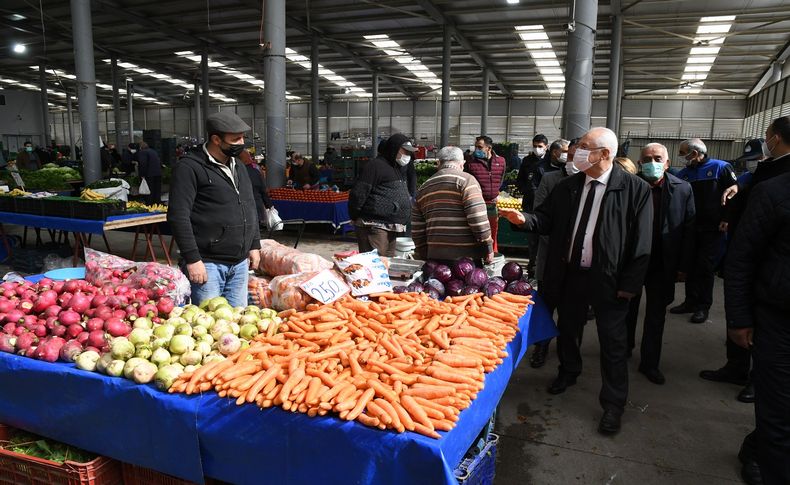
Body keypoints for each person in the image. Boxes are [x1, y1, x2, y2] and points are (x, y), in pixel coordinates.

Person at [500, 127, 653, 435]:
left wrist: (629, 285)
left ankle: (613, 404)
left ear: (605, 154)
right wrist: (524, 220)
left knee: (613, 342)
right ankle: (568, 372)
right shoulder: (568, 186)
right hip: (569, 273)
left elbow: (642, 244)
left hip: (609, 279)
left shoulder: (634, 189)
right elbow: (546, 220)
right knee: (569, 329)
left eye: (584, 146)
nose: (576, 151)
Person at [702, 119, 790, 405]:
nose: (765, 141)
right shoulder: (767, 166)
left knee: (763, 331)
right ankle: (736, 366)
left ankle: (755, 378)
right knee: (739, 314)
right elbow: (749, 196)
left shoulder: (782, 173)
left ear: (776, 137)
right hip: (749, 249)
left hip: (768, 265)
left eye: (766, 136)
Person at [724, 171, 790, 485]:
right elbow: (742, 257)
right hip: (779, 322)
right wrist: (739, 318)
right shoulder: (774, 193)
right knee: (779, 416)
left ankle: (755, 446)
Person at [167, 111, 261, 308]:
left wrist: (254, 244)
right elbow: (178, 216)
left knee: (238, 325)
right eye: (236, 139)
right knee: (210, 328)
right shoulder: (189, 167)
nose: (241, 143)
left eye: (243, 137)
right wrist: (193, 259)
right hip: (207, 264)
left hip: (239, 264)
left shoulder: (240, 167)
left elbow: (249, 205)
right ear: (216, 139)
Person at [625, 143, 696, 385]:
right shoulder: (628, 187)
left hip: (663, 263)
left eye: (657, 158)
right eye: (646, 159)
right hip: (632, 261)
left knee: (656, 315)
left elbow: (689, 230)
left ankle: (650, 363)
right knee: (627, 309)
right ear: (640, 162)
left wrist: (683, 267)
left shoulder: (683, 189)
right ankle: (623, 350)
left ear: (666, 163)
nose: (652, 163)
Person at [669, 138, 736, 324]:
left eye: (683, 153)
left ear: (695, 153)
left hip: (713, 228)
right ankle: (690, 302)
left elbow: (732, 193)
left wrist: (726, 218)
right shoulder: (684, 174)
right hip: (690, 228)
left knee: (705, 267)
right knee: (689, 264)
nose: (681, 157)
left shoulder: (721, 167)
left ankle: (702, 306)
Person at [529, 138, 575, 369]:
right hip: (550, 256)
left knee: (571, 313)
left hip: (578, 263)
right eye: (570, 154)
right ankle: (541, 346)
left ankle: (568, 356)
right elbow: (539, 216)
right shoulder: (550, 179)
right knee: (546, 305)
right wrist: (558, 244)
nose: (572, 159)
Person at [412, 146, 494, 264]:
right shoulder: (467, 181)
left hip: (435, 258)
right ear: (462, 163)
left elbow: (417, 228)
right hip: (466, 260)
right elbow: (477, 218)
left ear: (438, 163)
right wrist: (488, 247)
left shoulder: (424, 187)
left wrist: (424, 253)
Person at [349, 133, 415, 256]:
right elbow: (359, 193)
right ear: (394, 148)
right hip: (374, 225)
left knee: (387, 264)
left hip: (391, 226)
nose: (408, 155)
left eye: (409, 153)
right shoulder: (375, 166)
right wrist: (354, 215)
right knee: (375, 263)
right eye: (405, 152)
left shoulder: (395, 167)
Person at [464, 135, 506, 254]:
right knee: (477, 230)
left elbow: (501, 179)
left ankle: (492, 254)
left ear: (489, 148)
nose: (476, 149)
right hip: (476, 202)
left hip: (492, 203)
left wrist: (494, 191)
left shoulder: (501, 161)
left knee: (492, 231)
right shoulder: (470, 162)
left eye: (480, 147)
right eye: (476, 147)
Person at [239, 149, 274, 224]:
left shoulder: (238, 172)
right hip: (256, 207)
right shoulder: (255, 170)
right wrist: (269, 206)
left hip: (242, 210)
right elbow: (263, 190)